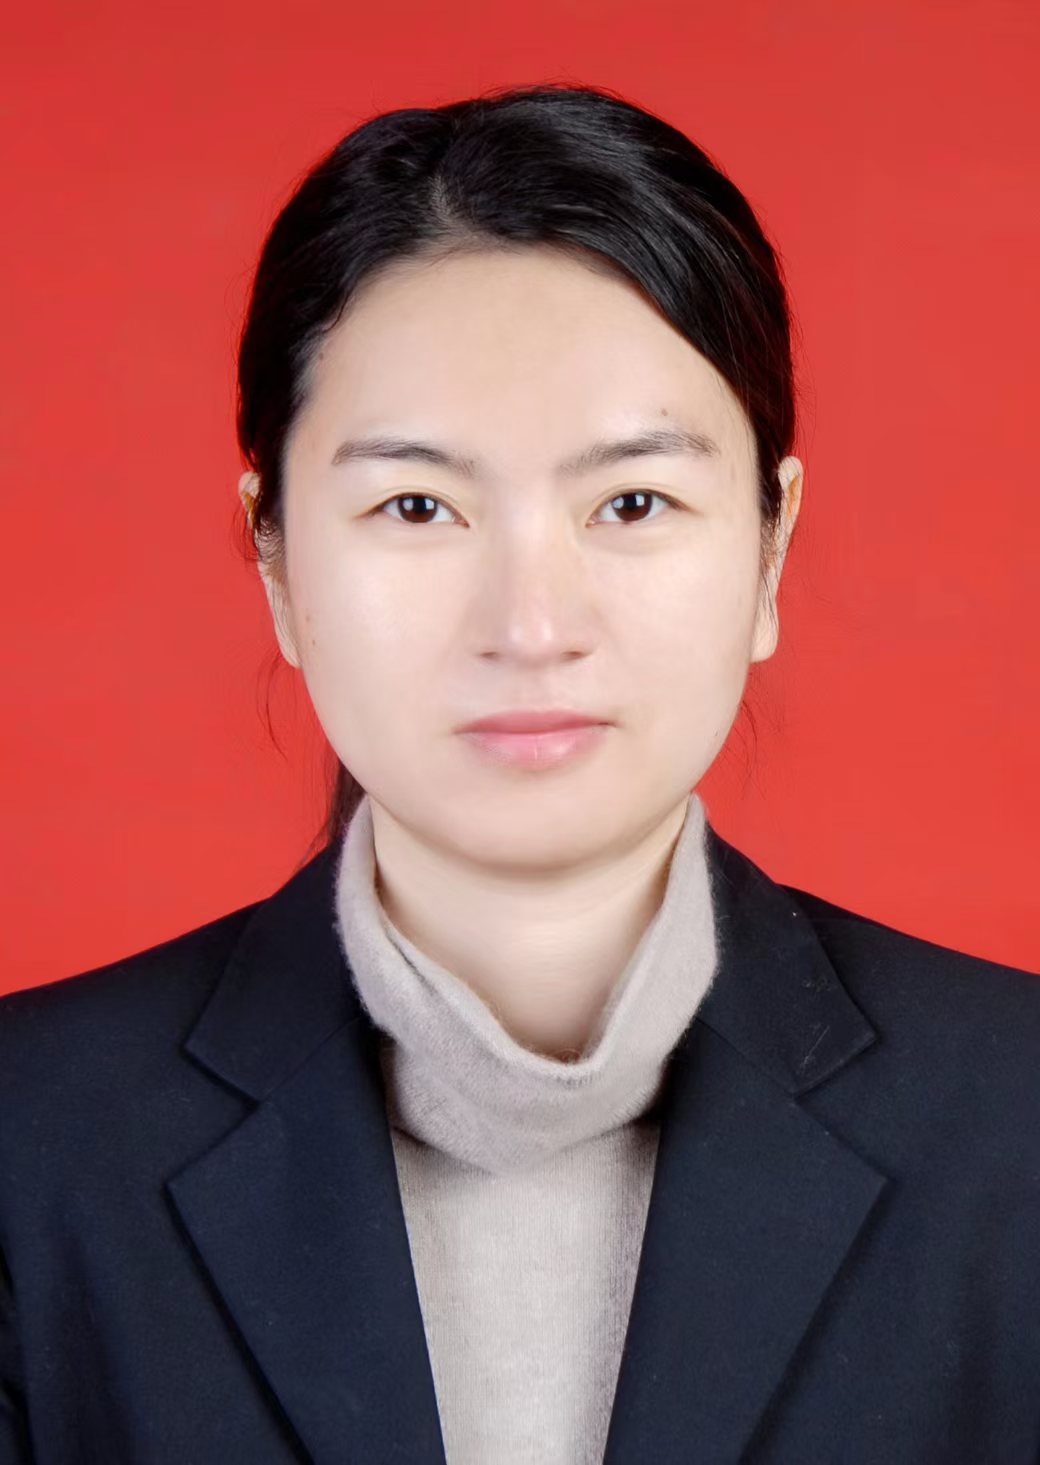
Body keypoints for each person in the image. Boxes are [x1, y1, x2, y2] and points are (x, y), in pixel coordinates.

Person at [0, 81, 1037, 1465]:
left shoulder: (1018, 1124)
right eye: (418, 505)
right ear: (277, 560)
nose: (532, 625)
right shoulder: (28, 1146)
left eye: (632, 502)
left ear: (772, 547)